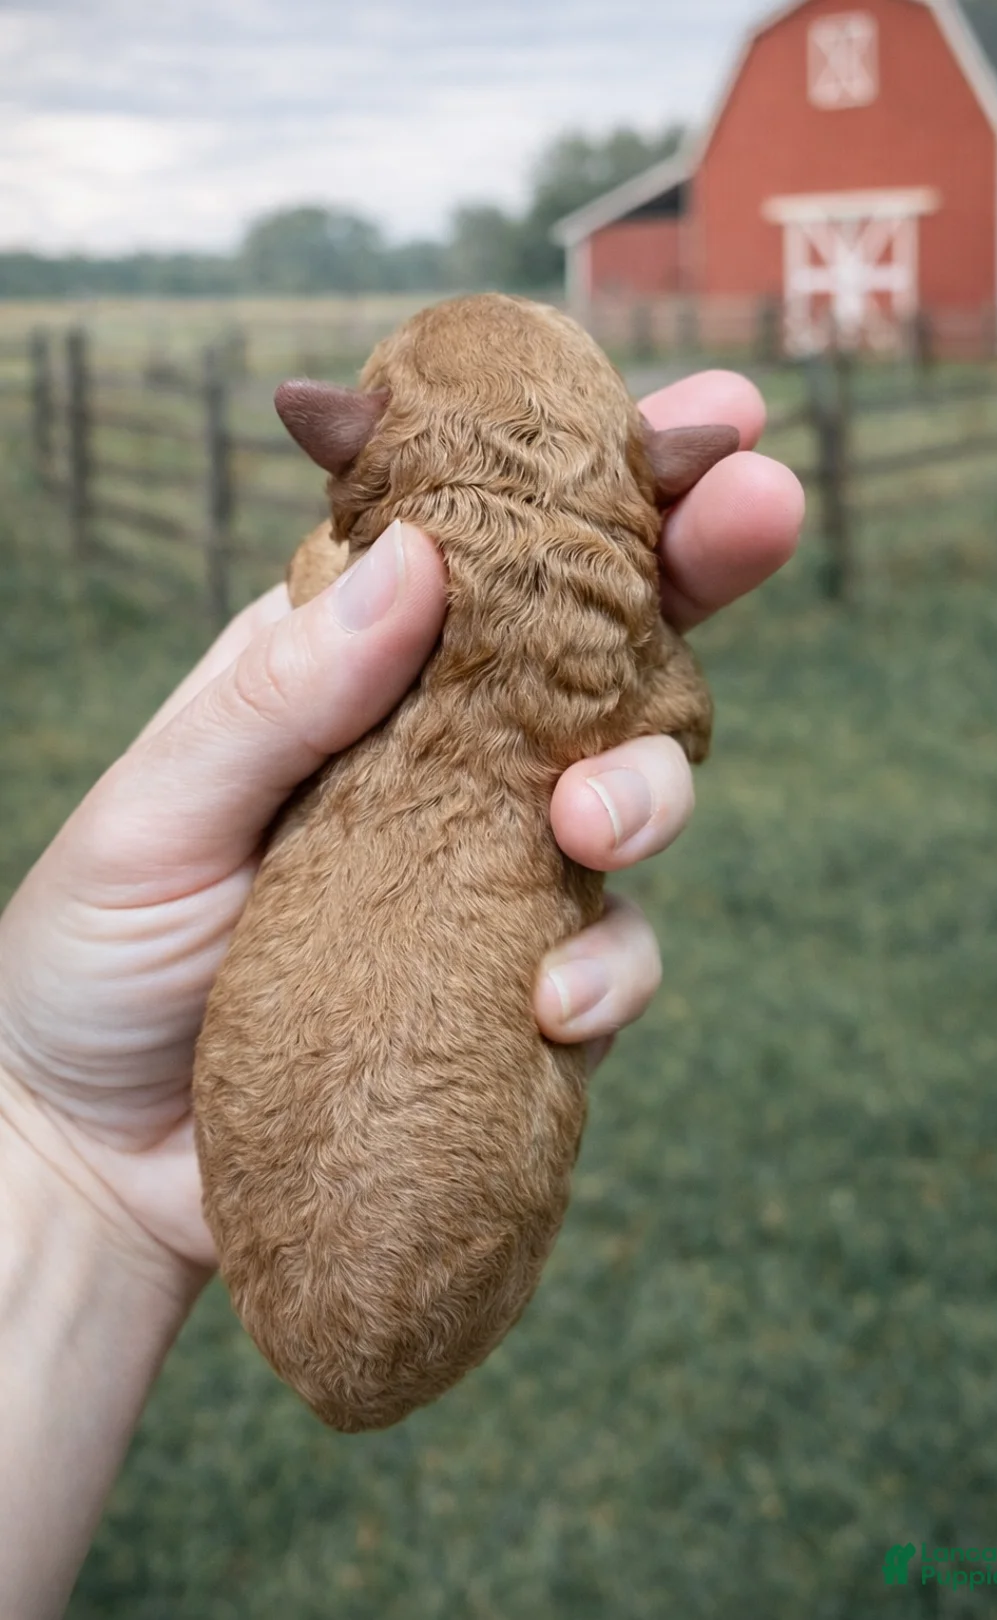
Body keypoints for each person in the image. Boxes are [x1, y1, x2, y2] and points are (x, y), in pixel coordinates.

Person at [0, 369, 802, 1618]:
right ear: (641, 490)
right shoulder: (599, 658)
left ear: (369, 467)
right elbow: (676, 710)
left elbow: (324, 571)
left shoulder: (343, 579)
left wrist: (56, 1153)